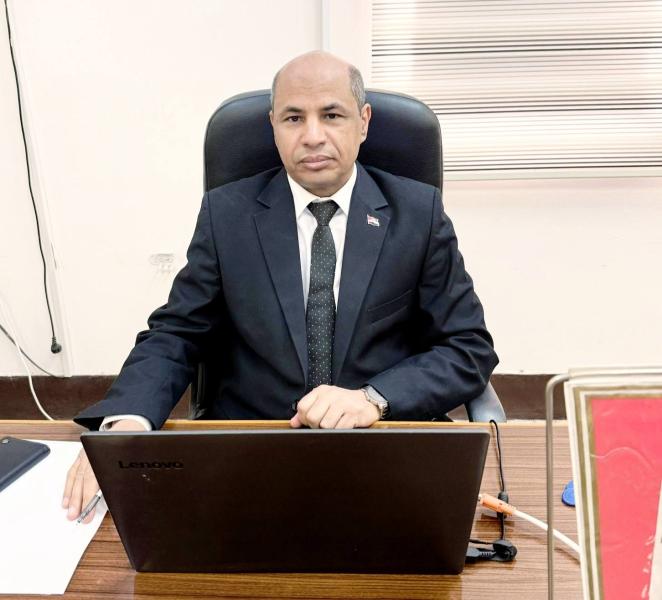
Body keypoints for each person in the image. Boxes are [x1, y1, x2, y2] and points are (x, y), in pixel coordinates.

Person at [63, 51, 498, 523]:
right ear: (273, 126)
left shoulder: (418, 213)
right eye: (294, 118)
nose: (312, 136)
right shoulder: (227, 214)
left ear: (364, 122)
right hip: (252, 452)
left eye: (332, 115)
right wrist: (126, 424)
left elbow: (467, 348)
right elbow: (177, 332)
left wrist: (373, 398)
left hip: (381, 447)